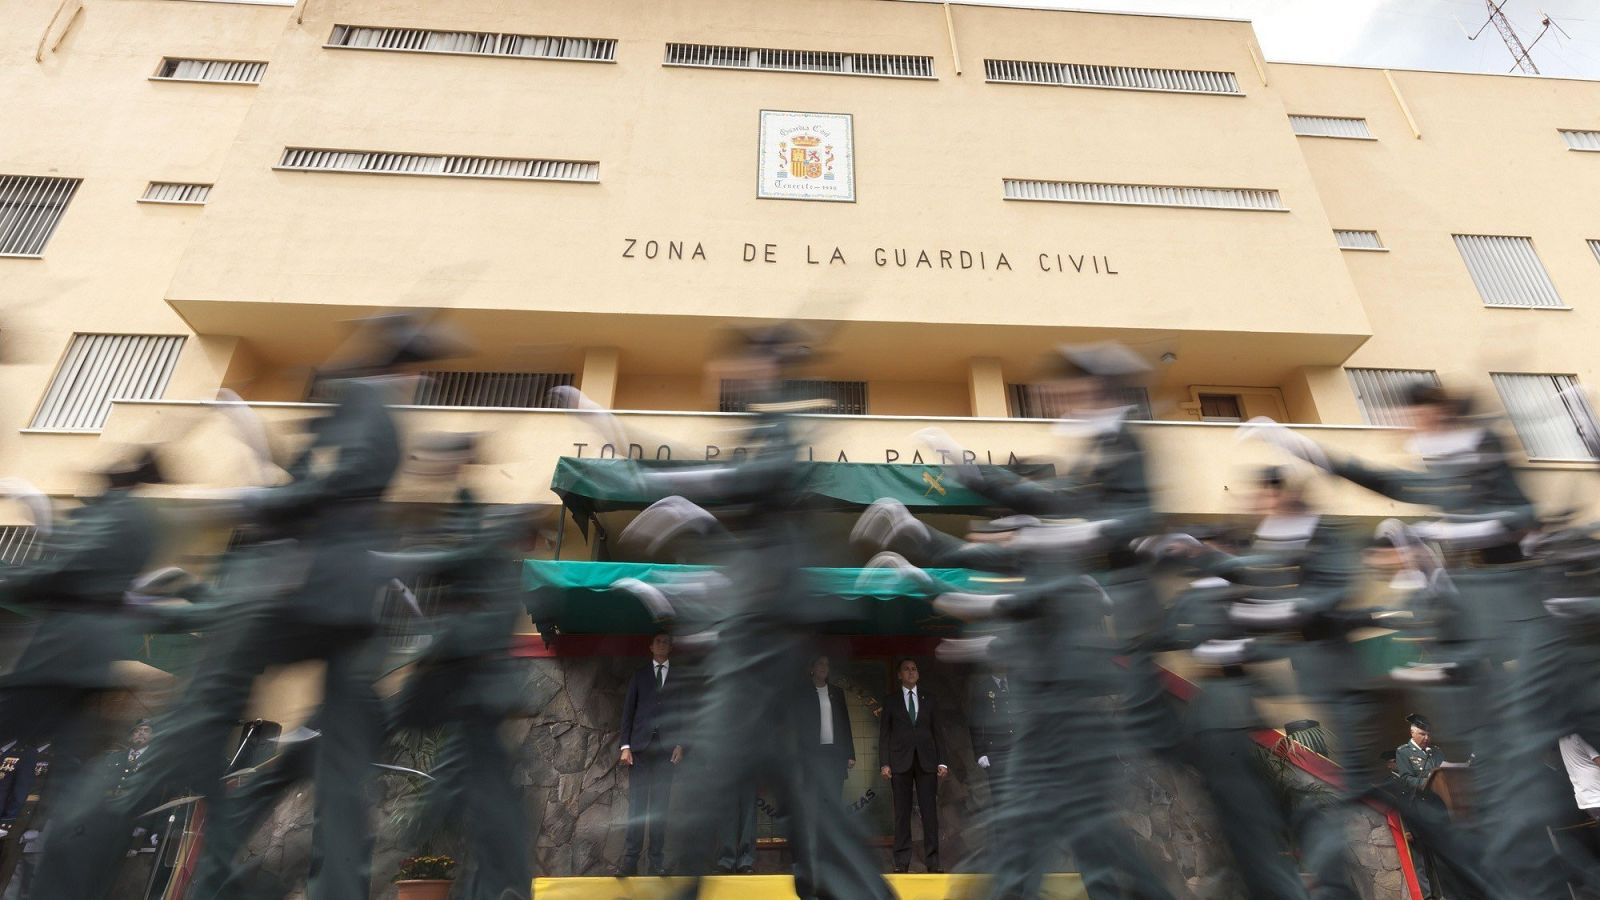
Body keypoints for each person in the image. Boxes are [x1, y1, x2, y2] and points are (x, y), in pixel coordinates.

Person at [618, 632, 682, 877]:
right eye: (658, 641)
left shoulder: (678, 678)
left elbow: (683, 712)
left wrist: (681, 744)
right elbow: (628, 712)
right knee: (637, 807)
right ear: (650, 646)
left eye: (666, 641)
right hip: (640, 750)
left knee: (659, 808)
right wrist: (625, 746)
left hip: (667, 751)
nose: (662, 644)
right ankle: (630, 861)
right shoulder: (640, 675)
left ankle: (656, 861)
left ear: (670, 647)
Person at [878, 658, 947, 874]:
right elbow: (885, 736)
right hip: (900, 762)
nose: (910, 672)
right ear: (899, 674)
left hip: (926, 761)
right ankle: (901, 862)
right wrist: (884, 763)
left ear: (918, 673)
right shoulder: (890, 701)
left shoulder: (930, 699)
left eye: (914, 669)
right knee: (901, 813)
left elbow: (938, 732)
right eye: (906, 669)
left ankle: (933, 863)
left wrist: (942, 761)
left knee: (929, 813)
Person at [1394, 714, 1448, 900]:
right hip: (1419, 810)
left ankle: (1445, 895)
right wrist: (1428, 781)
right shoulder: (1403, 752)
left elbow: (1445, 775)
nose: (1427, 738)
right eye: (1423, 734)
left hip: (1438, 810)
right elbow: (1406, 779)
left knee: (1441, 859)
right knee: (1422, 862)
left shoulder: (1436, 752)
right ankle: (1427, 897)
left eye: (1428, 734)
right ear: (1413, 732)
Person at [809, 656, 855, 794]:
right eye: (820, 663)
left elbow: (845, 723)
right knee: (814, 795)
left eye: (827, 664)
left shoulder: (836, 692)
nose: (824, 667)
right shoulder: (803, 692)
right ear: (812, 668)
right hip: (812, 753)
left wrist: (850, 754)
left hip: (835, 752)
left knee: (834, 795)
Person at [1558, 733, 1600, 820]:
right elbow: (1597, 759)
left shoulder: (1562, 742)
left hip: (1588, 802)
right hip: (1594, 798)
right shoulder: (1575, 738)